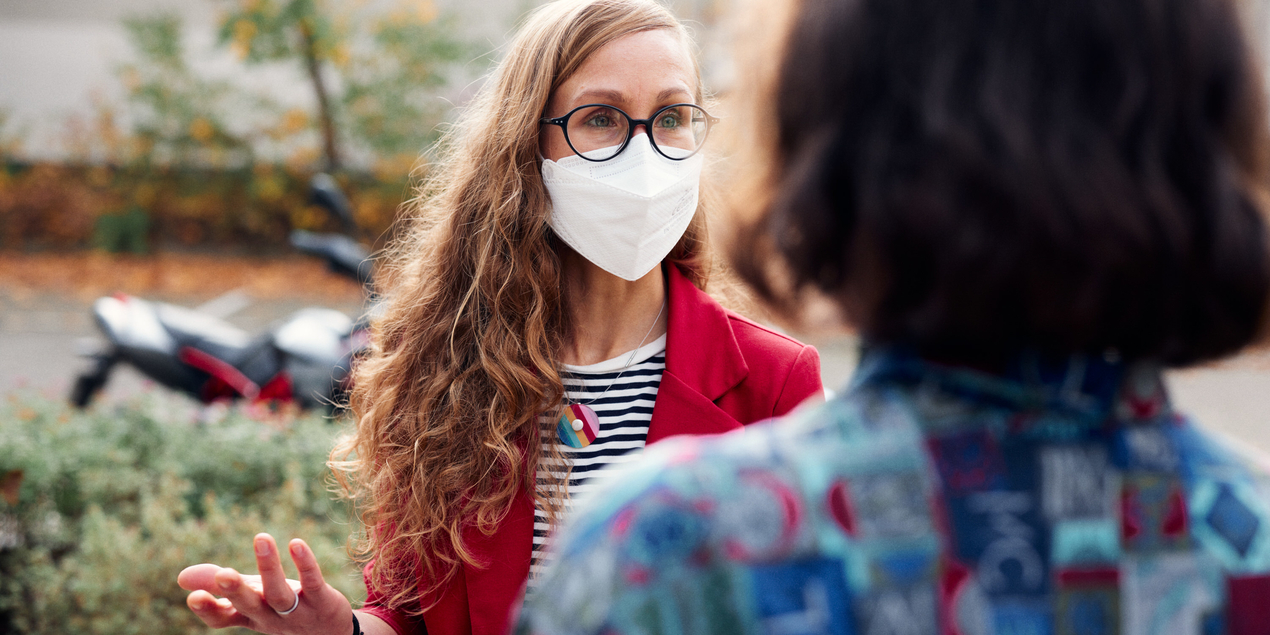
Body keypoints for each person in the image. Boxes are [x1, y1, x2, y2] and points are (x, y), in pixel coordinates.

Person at [514, 0, 1270, 631]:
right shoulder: (1250, 543)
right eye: (603, 121)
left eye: (674, 117)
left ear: (823, 148)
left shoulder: (666, 553)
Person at [176, 1, 823, 634]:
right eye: (601, 118)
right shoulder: (441, 363)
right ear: (527, 147)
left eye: (672, 116)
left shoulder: (774, 382)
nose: (644, 153)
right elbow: (410, 613)